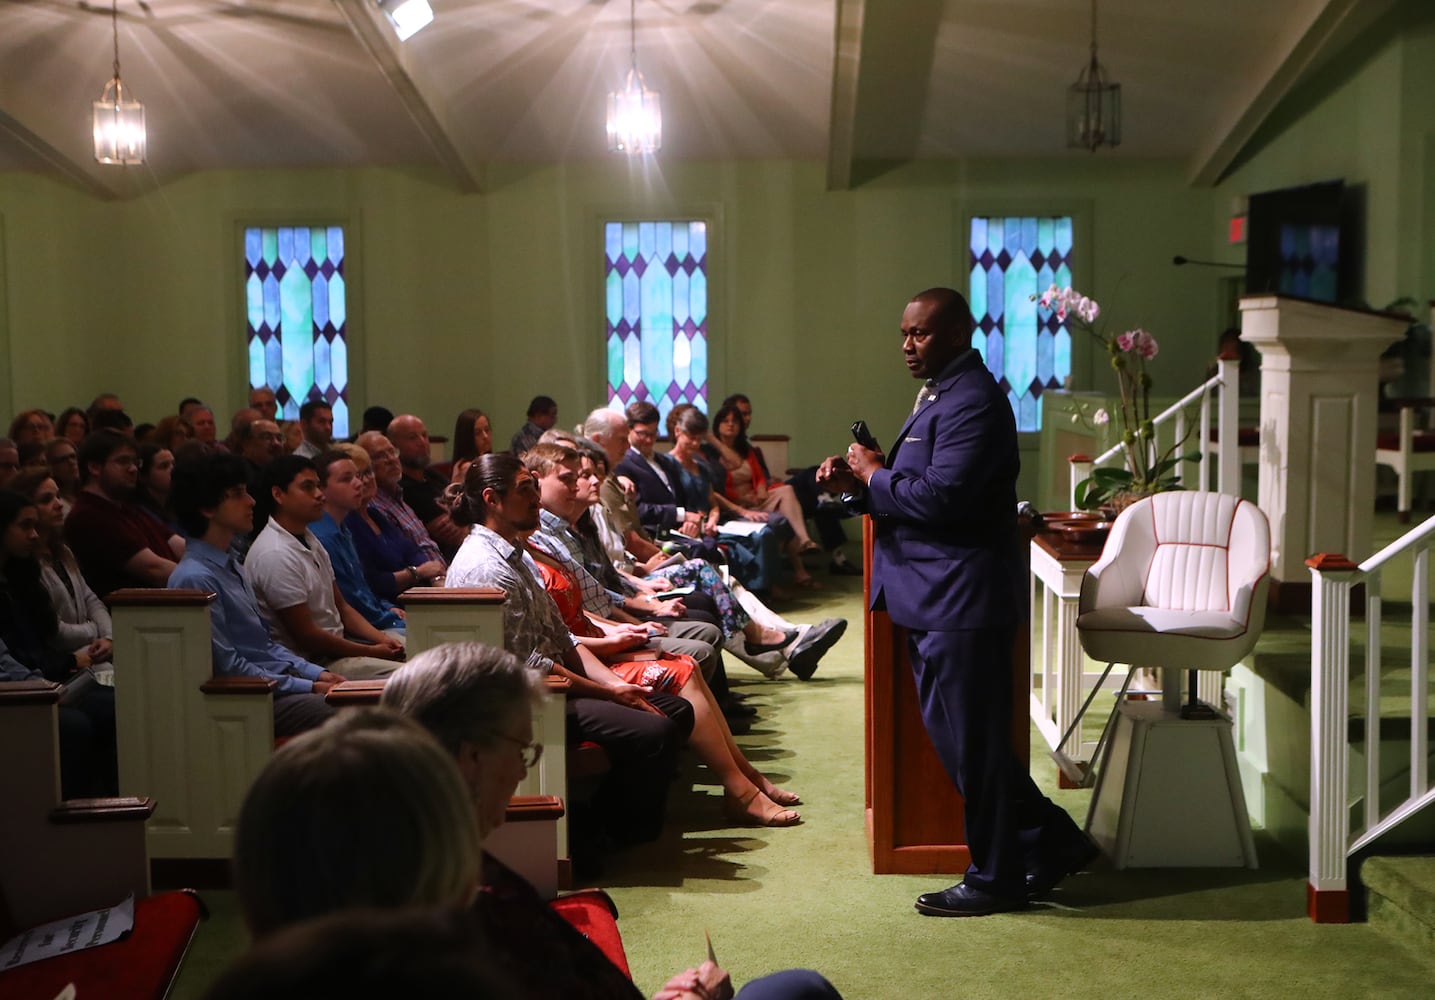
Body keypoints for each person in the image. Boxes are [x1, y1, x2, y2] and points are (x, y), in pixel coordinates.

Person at [817, 287, 1095, 917]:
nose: (908, 345)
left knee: (973, 747)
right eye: (904, 334)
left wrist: (872, 474)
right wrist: (857, 488)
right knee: (965, 747)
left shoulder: (973, 400)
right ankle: (1054, 842)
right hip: (933, 596)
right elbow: (915, 492)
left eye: (920, 333)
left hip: (960, 601)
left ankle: (996, 876)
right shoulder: (942, 396)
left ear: (957, 334)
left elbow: (943, 501)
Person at [383, 642, 842, 1000]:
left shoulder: (427, 853)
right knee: (798, 990)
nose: (525, 770)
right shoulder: (466, 910)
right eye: (521, 750)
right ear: (471, 757)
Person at [443, 452, 694, 849]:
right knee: (658, 728)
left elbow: (562, 637)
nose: (536, 499)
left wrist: (615, 683)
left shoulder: (514, 551)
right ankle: (610, 836)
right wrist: (610, 692)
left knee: (675, 708)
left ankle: (600, 819)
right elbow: (530, 666)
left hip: (552, 684)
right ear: (492, 499)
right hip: (521, 702)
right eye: (525, 489)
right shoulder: (486, 567)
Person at [169, 452, 341, 736]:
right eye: (237, 494)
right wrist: (308, 685)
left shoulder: (232, 563)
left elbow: (265, 646)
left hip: (266, 685)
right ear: (207, 508)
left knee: (356, 696)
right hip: (243, 698)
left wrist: (317, 674)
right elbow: (228, 667)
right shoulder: (196, 577)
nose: (251, 501)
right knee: (345, 711)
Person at [0, 490, 118, 798]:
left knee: (118, 704)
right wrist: (44, 683)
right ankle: (70, 819)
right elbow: (15, 655)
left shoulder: (21, 574)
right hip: (20, 690)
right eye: (25, 526)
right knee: (75, 726)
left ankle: (119, 805)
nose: (34, 535)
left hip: (45, 676)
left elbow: (38, 639)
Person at [244, 454, 403, 678]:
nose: (319, 495)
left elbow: (343, 607)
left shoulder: (308, 538)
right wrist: (371, 650)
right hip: (313, 665)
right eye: (308, 487)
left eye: (318, 486)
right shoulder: (275, 553)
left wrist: (382, 640)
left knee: (423, 647)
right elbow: (307, 636)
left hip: (340, 649)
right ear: (278, 494)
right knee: (414, 677)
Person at [715, 396, 858, 577]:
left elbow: (760, 476)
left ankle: (824, 499)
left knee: (810, 481)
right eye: (740, 415)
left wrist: (763, 485)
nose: (743, 420)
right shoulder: (715, 452)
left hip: (768, 493)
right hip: (752, 500)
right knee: (806, 492)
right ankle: (823, 505)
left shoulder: (746, 448)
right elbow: (719, 485)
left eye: (746, 414)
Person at [14, 469, 115, 685]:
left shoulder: (63, 552)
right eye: (46, 499)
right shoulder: (28, 564)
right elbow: (54, 631)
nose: (59, 504)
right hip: (63, 665)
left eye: (58, 496)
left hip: (91, 652)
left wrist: (108, 637)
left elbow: (91, 600)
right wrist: (94, 633)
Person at [65, 430, 183, 598]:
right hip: (134, 617)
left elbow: (177, 544)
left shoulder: (126, 508)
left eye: (136, 462)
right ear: (94, 467)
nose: (133, 468)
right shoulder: (88, 516)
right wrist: (204, 579)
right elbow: (154, 569)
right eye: (123, 461)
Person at [309, 448, 407, 636]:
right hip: (361, 634)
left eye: (357, 476)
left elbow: (364, 589)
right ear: (321, 489)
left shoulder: (343, 529)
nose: (359, 483)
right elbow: (353, 604)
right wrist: (391, 618)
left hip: (378, 621)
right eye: (346, 479)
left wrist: (387, 607)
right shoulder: (324, 539)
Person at [387, 414, 467, 559]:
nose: (422, 442)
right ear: (394, 446)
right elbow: (451, 532)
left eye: (424, 435)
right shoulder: (402, 488)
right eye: (413, 437)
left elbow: (466, 514)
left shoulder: (434, 476)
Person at [450, 407, 494, 484]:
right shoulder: (467, 468)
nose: (485, 436)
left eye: (487, 430)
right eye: (477, 433)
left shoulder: (486, 461)